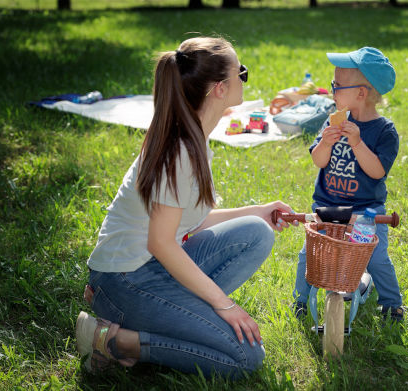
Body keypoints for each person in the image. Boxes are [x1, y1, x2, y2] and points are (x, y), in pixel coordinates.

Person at [75, 36, 296, 379]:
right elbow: (161, 242)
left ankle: (168, 314)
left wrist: (258, 210)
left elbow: (185, 222)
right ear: (220, 89)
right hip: (126, 278)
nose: (244, 79)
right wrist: (224, 304)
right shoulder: (178, 149)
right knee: (245, 357)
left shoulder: (194, 136)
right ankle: (116, 341)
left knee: (256, 232)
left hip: (149, 267)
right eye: (242, 73)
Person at [292, 47, 403, 323]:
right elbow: (318, 160)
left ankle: (391, 303)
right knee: (309, 256)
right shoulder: (334, 121)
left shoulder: (384, 131)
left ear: (361, 93)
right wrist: (327, 142)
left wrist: (357, 142)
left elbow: (377, 171)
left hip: (366, 211)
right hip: (327, 208)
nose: (332, 90)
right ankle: (301, 301)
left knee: (376, 258)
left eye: (337, 85)